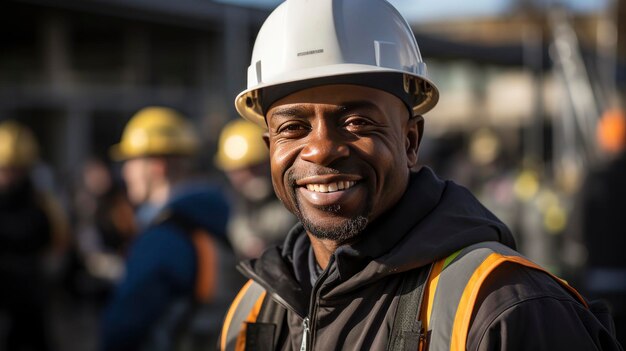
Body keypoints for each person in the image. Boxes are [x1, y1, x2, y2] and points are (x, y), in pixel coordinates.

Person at [219, 0, 623, 350]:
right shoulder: (253, 313)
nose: (321, 149)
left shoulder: (504, 308)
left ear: (411, 140)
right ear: (270, 147)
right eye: (293, 128)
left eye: (358, 121)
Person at [100, 107, 242, 351]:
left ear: (157, 166)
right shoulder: (211, 216)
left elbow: (123, 326)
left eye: (131, 162)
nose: (125, 173)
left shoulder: (163, 237)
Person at [0, 120, 68, 351]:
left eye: (14, 169)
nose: (8, 176)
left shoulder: (44, 205)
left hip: (31, 302)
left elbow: (58, 247)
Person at [215, 119, 296, 258]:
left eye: (255, 166)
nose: (249, 176)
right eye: (239, 170)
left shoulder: (297, 199)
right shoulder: (226, 205)